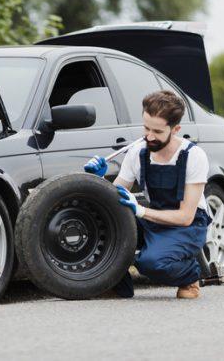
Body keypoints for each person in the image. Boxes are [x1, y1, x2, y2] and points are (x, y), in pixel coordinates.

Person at [84, 90, 211, 299]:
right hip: (152, 217)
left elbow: (186, 216)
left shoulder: (193, 156)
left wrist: (141, 211)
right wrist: (98, 180)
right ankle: (117, 286)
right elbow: (115, 197)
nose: (149, 137)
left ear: (175, 129)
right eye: (146, 128)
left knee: (150, 263)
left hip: (187, 225)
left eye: (158, 132)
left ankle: (191, 275)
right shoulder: (137, 152)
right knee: (103, 222)